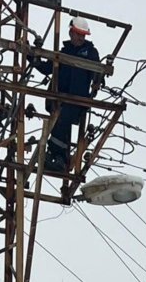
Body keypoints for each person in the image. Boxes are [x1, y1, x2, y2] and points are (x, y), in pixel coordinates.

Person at [29, 16, 106, 172]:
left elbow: (97, 71)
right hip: (58, 98)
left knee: (62, 122)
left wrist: (98, 81)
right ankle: (60, 157)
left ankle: (56, 156)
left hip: (77, 100)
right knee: (59, 125)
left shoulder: (90, 52)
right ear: (71, 33)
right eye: (77, 34)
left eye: (82, 35)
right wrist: (30, 56)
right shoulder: (64, 51)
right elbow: (46, 68)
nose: (80, 38)